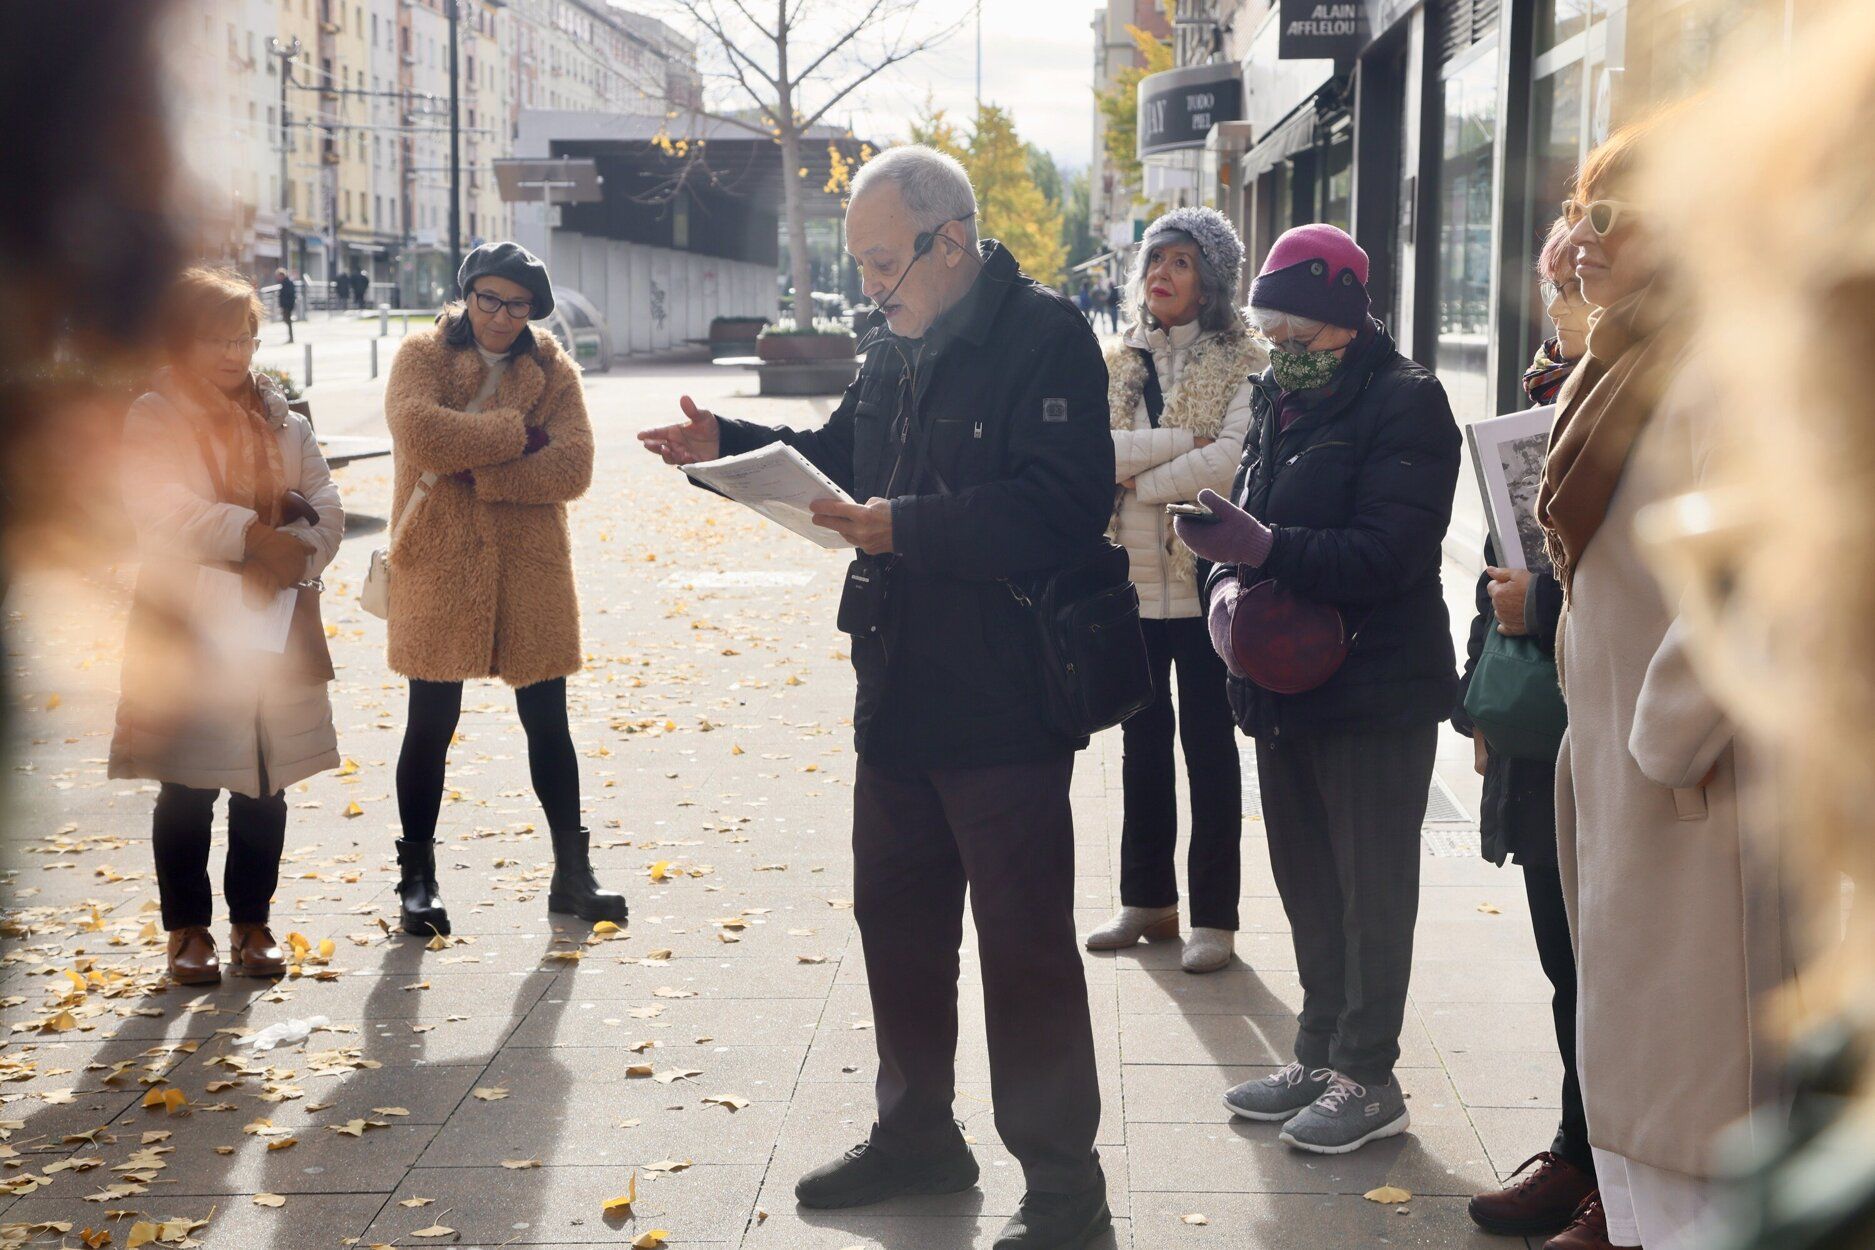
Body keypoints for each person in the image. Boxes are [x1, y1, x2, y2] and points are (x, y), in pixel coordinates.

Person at [638, 144, 1115, 1250]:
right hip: (897, 687)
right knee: (897, 925)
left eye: (884, 262)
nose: (870, 287)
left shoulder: (1045, 336)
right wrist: (732, 447)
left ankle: (1064, 1186)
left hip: (1005, 693)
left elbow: (1064, 505)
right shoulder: (895, 343)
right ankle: (917, 1139)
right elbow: (842, 455)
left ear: (954, 242)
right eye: (859, 263)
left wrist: (907, 525)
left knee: (1023, 944)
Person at [1535, 124, 1789, 1250]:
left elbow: (1757, 567)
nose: (1582, 236)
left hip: (1691, 788)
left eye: (1612, 213)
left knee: (1698, 1098)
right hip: (1621, 773)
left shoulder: (1728, 358)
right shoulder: (1621, 355)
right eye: (1582, 210)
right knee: (1638, 1081)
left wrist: (1659, 740)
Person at [1175, 224, 1461, 1155]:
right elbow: (1251, 509)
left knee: (1369, 886)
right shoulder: (1276, 395)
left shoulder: (1407, 400)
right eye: (1274, 336)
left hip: (1375, 684)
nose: (1285, 355)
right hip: (1283, 682)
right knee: (1305, 880)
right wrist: (1222, 582)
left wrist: (1264, 551)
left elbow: (1392, 551)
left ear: (1347, 320)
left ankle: (1367, 1075)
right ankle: (1315, 1049)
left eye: (1303, 338)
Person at [382, 241, 625, 937]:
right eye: (488, 298)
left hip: (530, 564)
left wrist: (485, 470)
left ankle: (571, 877)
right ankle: (417, 880)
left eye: (516, 305)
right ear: (466, 295)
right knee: (430, 721)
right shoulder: (420, 356)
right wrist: (519, 436)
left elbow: (574, 467)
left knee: (549, 721)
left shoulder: (553, 368)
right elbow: (421, 434)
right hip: (438, 558)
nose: (500, 316)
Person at [108, 266, 343, 986]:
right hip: (186, 622)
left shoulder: (286, 420)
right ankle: (186, 932)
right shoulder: (156, 413)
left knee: (265, 781)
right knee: (187, 782)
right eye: (216, 337)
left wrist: (296, 548)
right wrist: (252, 533)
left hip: (272, 619)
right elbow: (160, 507)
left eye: (243, 335)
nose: (234, 352)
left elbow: (329, 510)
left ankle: (253, 924)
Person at [1456, 214, 1599, 1245]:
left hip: (1612, 721)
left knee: (1614, 961)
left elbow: (1652, 588)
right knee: (1566, 955)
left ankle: (1610, 1173)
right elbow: (1505, 557)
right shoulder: (1552, 394)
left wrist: (1537, 607)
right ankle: (1579, 1150)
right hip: (1540, 711)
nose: (1556, 306)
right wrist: (1483, 687)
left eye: (1569, 285)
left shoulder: (1647, 407)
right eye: (1557, 285)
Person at [1084, 206, 1262, 974]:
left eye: (1182, 262)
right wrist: (1173, 448)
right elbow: (1087, 454)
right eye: (1155, 258)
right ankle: (1147, 898)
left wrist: (1138, 479)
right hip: (1129, 583)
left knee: (1211, 750)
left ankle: (1215, 918)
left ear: (1212, 281)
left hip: (1204, 583)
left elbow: (1228, 460)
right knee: (1141, 743)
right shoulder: (1114, 361)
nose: (1162, 272)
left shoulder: (1246, 361)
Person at [276, 267, 297, 344]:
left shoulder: (287, 283)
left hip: (287, 306)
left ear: (282, 275)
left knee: (288, 321)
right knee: (287, 321)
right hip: (286, 306)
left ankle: (291, 338)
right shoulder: (284, 283)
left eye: (278, 276)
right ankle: (291, 338)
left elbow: (290, 295)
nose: (277, 278)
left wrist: (288, 305)